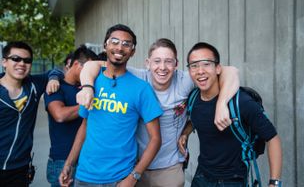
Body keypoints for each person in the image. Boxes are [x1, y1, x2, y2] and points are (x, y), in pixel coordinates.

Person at [76, 38, 239, 187]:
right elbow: (91, 65)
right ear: (148, 63)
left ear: (176, 64)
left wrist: (222, 104)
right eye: (157, 61)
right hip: (135, 166)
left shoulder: (185, 80)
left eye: (169, 62)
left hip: (169, 167)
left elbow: (230, 71)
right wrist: (87, 88)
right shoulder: (136, 77)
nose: (162, 67)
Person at [59, 24, 163, 187]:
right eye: (115, 41)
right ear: (105, 45)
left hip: (120, 178)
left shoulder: (142, 89)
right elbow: (84, 127)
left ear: (133, 51)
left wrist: (133, 177)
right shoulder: (91, 82)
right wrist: (69, 164)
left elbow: (156, 139)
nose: (120, 47)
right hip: (84, 176)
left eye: (126, 44)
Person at [178, 42, 282, 187]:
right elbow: (196, 119)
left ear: (218, 68)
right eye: (194, 65)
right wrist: (186, 132)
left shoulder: (241, 102)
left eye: (206, 64)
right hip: (201, 176)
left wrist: (274, 183)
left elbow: (272, 138)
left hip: (233, 180)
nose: (200, 71)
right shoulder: (193, 98)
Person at [0, 41, 63, 186]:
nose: (22, 63)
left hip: (19, 169)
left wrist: (53, 78)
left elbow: (56, 71)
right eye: (16, 59)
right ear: (4, 62)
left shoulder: (34, 85)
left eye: (27, 60)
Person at [44, 45, 98, 187]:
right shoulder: (55, 86)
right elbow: (60, 115)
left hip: (87, 159)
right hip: (62, 161)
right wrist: (88, 101)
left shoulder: (88, 87)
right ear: (76, 64)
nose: (91, 74)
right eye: (89, 69)